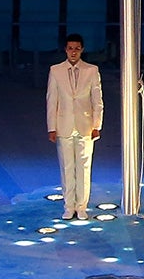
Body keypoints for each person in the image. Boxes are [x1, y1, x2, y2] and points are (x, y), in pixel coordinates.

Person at [45, 33, 104, 221]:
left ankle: (82, 206)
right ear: (65, 49)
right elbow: (51, 100)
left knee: (84, 168)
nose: (73, 52)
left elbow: (97, 100)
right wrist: (51, 127)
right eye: (70, 48)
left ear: (82, 50)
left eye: (77, 48)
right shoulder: (55, 70)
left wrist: (97, 124)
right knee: (67, 167)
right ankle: (69, 206)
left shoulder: (91, 70)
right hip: (64, 125)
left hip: (85, 125)